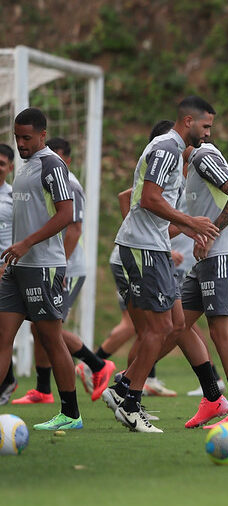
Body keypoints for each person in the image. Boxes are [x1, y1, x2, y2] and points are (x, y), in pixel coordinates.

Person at [103, 96, 221, 432]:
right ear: (188, 121)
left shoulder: (173, 150)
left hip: (154, 248)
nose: (208, 134)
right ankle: (130, 403)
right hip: (143, 250)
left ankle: (123, 388)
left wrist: (187, 228)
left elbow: (155, 205)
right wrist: (190, 221)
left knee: (176, 324)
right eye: (205, 126)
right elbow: (148, 199)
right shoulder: (167, 148)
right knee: (156, 330)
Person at [12, 137, 115, 404]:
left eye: (58, 158)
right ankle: (43, 389)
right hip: (42, 265)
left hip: (66, 268)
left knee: (50, 330)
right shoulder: (37, 173)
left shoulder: (71, 184)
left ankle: (97, 365)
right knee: (39, 329)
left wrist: (63, 270)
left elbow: (74, 229)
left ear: (66, 160)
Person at [0, 108, 82, 430]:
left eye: (27, 138)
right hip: (17, 267)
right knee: (2, 337)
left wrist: (26, 243)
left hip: (43, 266)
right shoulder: (25, 167)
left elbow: (66, 214)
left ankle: (71, 414)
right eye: (17, 137)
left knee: (50, 340)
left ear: (42, 135)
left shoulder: (52, 165)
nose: (20, 143)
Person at [175, 141, 228, 427]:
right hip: (204, 261)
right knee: (176, 324)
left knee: (222, 333)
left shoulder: (203, 156)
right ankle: (212, 398)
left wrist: (209, 235)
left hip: (222, 256)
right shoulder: (188, 166)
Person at [0, 144, 16, 405]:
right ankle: (9, 378)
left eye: (1, 164)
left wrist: (7, 264)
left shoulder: (14, 197)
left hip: (4, 270)